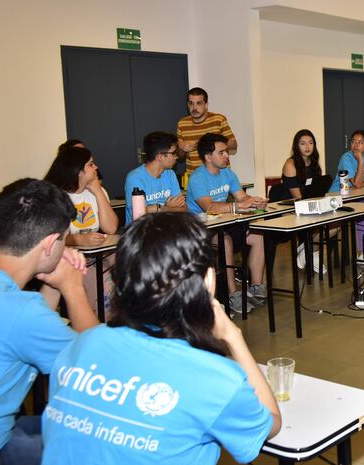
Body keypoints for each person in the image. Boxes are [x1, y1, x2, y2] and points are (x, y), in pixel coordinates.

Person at [41, 212, 280, 464]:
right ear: (208, 281)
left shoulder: (81, 345)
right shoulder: (216, 378)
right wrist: (234, 336)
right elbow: (270, 424)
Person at [0, 178, 99, 465]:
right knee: (101, 440)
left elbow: (17, 326)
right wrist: (73, 288)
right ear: (51, 242)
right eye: (64, 238)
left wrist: (53, 282)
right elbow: (102, 367)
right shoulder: (21, 315)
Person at [186, 133, 268, 314]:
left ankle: (256, 286)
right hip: (201, 228)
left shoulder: (228, 173)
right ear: (208, 157)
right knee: (226, 241)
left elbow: (242, 196)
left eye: (226, 152)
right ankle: (233, 294)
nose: (226, 156)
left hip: (224, 222)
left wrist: (255, 202)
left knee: (257, 234)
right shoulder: (197, 178)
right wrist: (239, 205)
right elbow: (208, 207)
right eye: (221, 152)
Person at [44, 146, 119, 310]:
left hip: (95, 253)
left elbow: (111, 228)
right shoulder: (56, 196)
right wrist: (79, 239)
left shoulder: (96, 191)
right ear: (78, 171)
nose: (96, 167)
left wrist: (98, 191)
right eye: (91, 164)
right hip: (69, 257)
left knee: (126, 263)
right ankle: (101, 318)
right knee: (100, 282)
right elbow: (50, 237)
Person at [280, 129, 328, 273]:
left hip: (309, 204)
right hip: (291, 208)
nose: (307, 147)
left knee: (336, 224)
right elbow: (297, 197)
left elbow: (316, 190)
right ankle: (311, 252)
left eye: (310, 143)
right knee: (324, 222)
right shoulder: (291, 164)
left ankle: (307, 250)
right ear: (296, 146)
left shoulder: (314, 163)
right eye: (303, 143)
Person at [330, 130, 364, 256]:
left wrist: (360, 186)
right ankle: (361, 253)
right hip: (338, 197)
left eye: (360, 142)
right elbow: (358, 183)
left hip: (356, 195)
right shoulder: (346, 158)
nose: (355, 145)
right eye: (353, 141)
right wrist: (360, 160)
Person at [177, 87, 237, 185]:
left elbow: (234, 144)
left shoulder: (218, 119)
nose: (194, 108)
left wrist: (210, 145)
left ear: (206, 104)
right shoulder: (182, 123)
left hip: (220, 176)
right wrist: (181, 147)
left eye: (199, 103)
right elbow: (180, 158)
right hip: (196, 179)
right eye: (191, 103)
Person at [124, 131, 186, 224]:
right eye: (173, 153)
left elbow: (184, 209)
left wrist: (159, 209)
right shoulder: (135, 178)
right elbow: (140, 217)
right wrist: (168, 208)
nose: (176, 157)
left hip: (165, 229)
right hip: (140, 232)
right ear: (160, 156)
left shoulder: (170, 174)